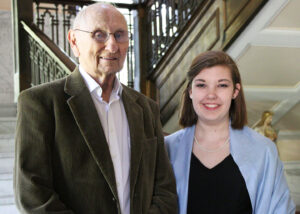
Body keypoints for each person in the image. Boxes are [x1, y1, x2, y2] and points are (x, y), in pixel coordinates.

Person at [14, 3, 178, 214]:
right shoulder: (40, 103)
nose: (112, 46)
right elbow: (33, 195)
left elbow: (164, 189)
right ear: (74, 41)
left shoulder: (146, 108)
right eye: (99, 35)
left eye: (119, 35)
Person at [165, 51, 295, 214]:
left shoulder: (264, 151)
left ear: (235, 91)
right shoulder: (166, 149)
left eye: (222, 85)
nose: (211, 95)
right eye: (201, 85)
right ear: (191, 91)